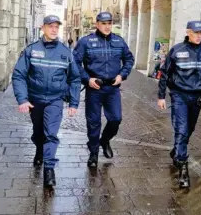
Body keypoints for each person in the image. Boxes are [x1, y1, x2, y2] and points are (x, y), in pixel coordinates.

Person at [12, 15, 81, 188]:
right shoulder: (31, 50)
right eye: (50, 26)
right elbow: (19, 75)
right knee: (38, 133)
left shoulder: (65, 53)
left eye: (56, 27)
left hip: (55, 100)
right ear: (43, 28)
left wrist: (73, 103)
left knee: (51, 133)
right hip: (35, 100)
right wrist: (22, 99)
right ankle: (39, 149)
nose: (54, 29)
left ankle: (49, 169)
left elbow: (74, 79)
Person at [157, 20, 201, 188]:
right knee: (182, 130)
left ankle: (176, 151)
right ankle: (183, 168)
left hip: (197, 98)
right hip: (179, 95)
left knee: (189, 130)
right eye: (195, 32)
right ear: (188, 32)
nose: (199, 35)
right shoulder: (177, 50)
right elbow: (164, 73)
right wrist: (161, 96)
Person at [74, 12, 134, 167]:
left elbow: (129, 59)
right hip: (94, 88)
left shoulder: (119, 41)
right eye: (103, 23)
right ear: (97, 24)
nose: (107, 26)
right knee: (93, 122)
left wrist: (122, 75)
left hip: (112, 88)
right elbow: (74, 63)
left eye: (109, 23)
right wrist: (87, 79)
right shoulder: (86, 42)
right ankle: (93, 154)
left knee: (115, 119)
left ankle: (105, 140)